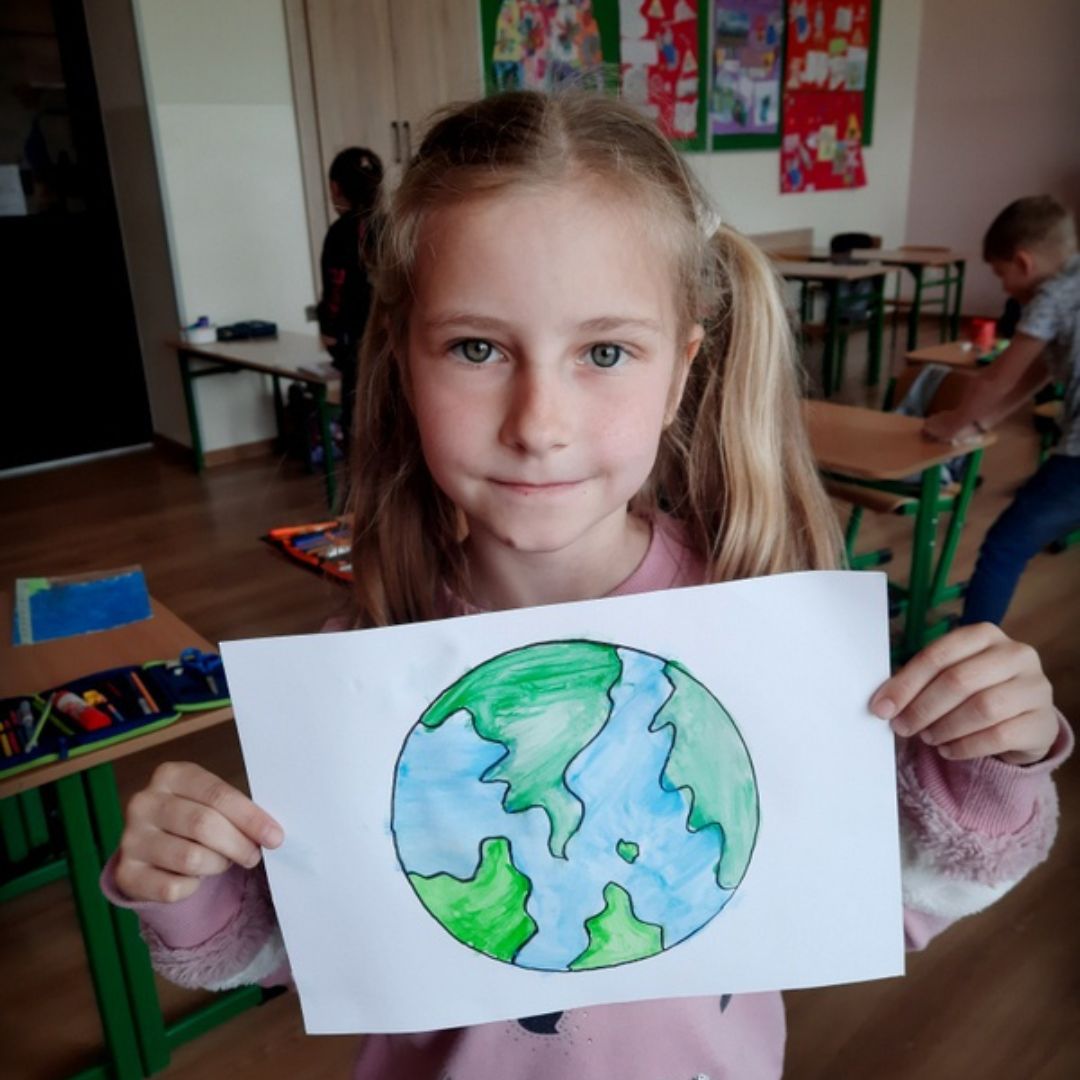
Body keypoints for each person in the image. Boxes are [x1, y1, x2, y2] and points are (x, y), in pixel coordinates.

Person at [102, 94, 1070, 1079]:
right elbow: (324, 951)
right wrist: (195, 881)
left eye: (605, 352)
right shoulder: (361, 661)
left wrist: (991, 756)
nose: (540, 423)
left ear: (681, 371)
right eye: (477, 348)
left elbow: (901, 896)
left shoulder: (769, 640)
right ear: (403, 361)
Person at [925, 195, 1080, 626]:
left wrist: (951, 423)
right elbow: (1038, 372)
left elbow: (997, 378)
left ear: (1024, 262)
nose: (1004, 288)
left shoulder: (1053, 295)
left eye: (1000, 274)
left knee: (1004, 547)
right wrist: (982, 420)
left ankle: (973, 647)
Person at [317, 146, 383, 457]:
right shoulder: (391, 225)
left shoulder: (341, 232)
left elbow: (336, 287)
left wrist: (329, 328)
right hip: (393, 338)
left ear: (335, 188)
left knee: (358, 415)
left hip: (357, 339)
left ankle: (360, 477)